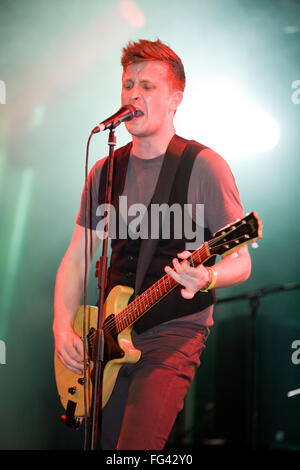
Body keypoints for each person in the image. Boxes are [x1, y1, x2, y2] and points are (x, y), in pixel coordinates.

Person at [53, 38, 252, 450]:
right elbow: (76, 259)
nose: (134, 95)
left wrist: (207, 275)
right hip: (106, 336)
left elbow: (242, 262)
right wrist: (61, 326)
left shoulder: (204, 165)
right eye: (128, 85)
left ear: (175, 99)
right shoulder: (106, 169)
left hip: (172, 334)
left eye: (148, 86)